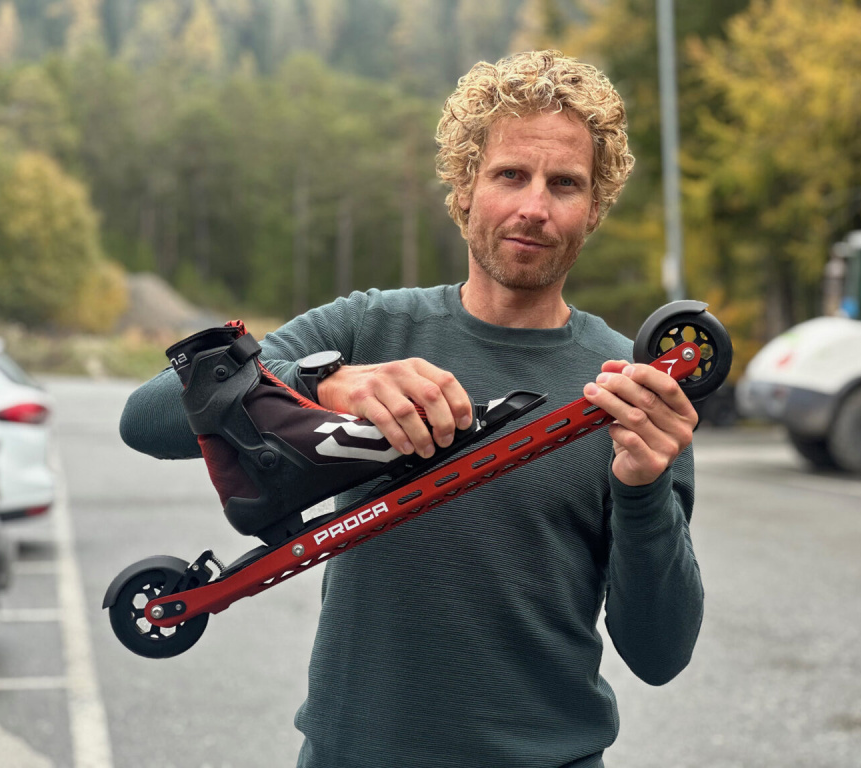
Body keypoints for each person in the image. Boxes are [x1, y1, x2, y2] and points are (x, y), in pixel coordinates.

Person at [120, 50, 703, 768]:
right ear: (465, 187)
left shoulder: (632, 388)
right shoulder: (368, 328)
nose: (534, 207)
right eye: (510, 175)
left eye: (565, 184)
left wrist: (644, 490)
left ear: (594, 207)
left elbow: (660, 653)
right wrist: (319, 384)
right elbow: (145, 416)